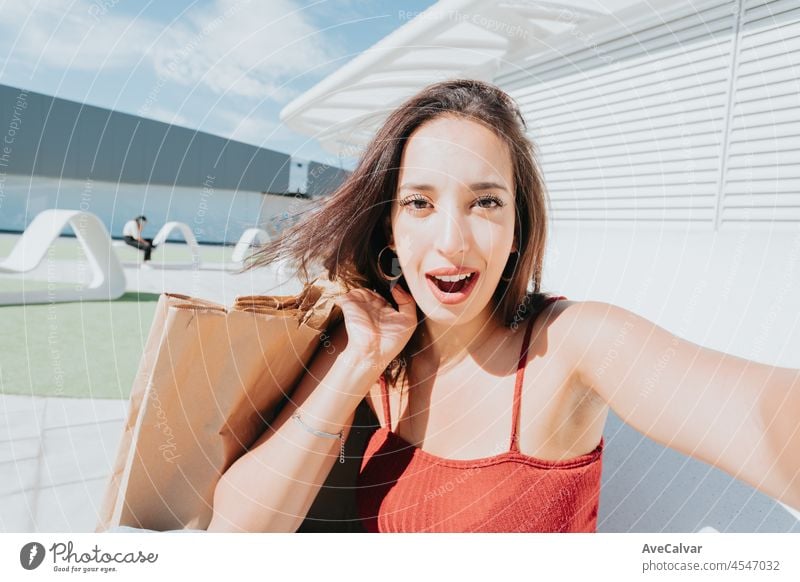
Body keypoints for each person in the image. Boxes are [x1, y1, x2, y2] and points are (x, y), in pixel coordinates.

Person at [207, 79, 800, 533]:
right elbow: (235, 534)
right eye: (419, 202)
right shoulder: (365, 343)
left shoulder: (566, 344)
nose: (452, 241)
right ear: (388, 228)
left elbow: (762, 417)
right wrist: (358, 364)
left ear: (518, 228)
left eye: (484, 202)